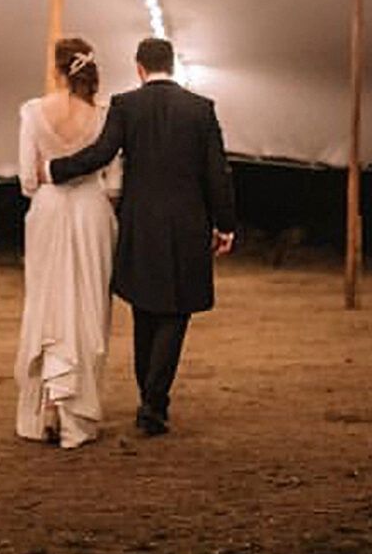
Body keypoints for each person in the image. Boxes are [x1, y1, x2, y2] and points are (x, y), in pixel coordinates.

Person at [48, 35, 234, 437]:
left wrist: (55, 169)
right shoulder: (201, 110)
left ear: (139, 68)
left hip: (141, 222)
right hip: (187, 223)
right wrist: (226, 224)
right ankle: (154, 403)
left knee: (145, 311)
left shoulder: (125, 105)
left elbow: (101, 153)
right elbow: (217, 173)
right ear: (173, 65)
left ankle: (148, 399)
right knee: (175, 313)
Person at [15, 35, 121, 449]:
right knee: (88, 308)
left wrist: (47, 177)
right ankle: (77, 420)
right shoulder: (104, 116)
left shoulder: (32, 112)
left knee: (46, 303)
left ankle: (44, 416)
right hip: (92, 212)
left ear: (58, 70)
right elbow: (114, 183)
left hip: (47, 210)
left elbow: (27, 178)